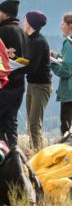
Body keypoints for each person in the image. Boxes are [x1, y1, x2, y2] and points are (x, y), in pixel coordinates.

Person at [8, 11, 53, 152]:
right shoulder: (32, 39)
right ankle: (36, 151)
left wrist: (11, 67)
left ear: (32, 23)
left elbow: (31, 67)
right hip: (33, 85)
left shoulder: (38, 41)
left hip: (41, 86)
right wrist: (14, 58)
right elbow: (28, 61)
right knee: (32, 122)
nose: (23, 23)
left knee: (34, 123)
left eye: (25, 20)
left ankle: (38, 153)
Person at [0, 0, 27, 147]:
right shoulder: (21, 32)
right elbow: (25, 60)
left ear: (4, 14)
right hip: (19, 84)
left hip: (5, 85)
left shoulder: (3, 31)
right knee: (10, 123)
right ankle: (13, 156)